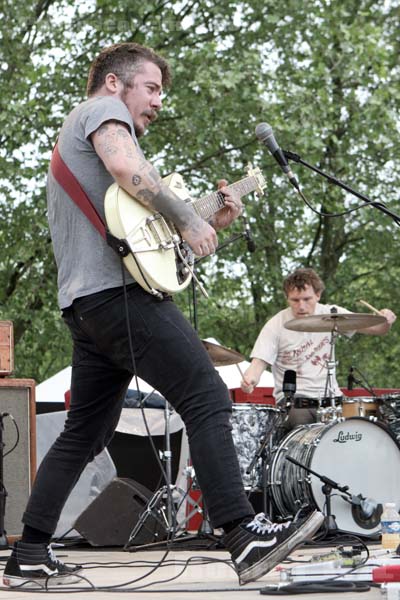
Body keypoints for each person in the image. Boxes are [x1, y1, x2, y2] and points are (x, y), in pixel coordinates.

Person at [3, 44, 323, 588]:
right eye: (150, 88)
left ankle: (30, 552)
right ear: (112, 83)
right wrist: (184, 215)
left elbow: (141, 240)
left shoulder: (80, 154)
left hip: (87, 307)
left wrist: (204, 221)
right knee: (206, 394)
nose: (156, 101)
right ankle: (242, 537)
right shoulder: (99, 115)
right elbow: (129, 167)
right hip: (120, 298)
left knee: (82, 432)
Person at [241, 268, 396, 430]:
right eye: (295, 300)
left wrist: (386, 320)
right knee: (301, 427)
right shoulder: (275, 325)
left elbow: (376, 329)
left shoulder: (332, 314)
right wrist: (250, 380)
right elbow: (258, 364)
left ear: (318, 295)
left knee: (375, 424)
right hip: (296, 403)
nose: (301, 306)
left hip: (333, 399)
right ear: (287, 298)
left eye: (307, 299)